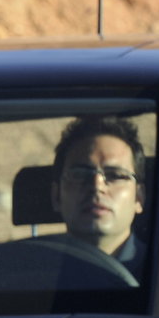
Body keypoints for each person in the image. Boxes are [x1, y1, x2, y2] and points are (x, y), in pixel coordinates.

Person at [51, 114, 149, 281]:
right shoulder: (29, 274)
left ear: (139, 198)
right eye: (80, 175)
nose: (97, 186)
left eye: (116, 175)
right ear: (56, 196)